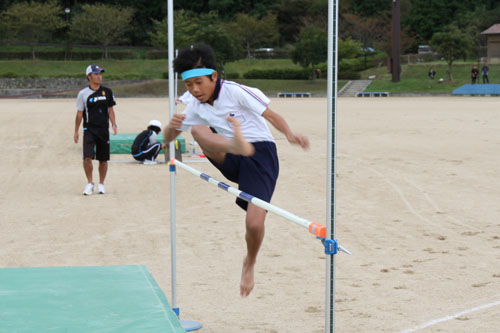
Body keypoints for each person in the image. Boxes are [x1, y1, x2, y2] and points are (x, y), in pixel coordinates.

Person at [164, 43, 309, 298]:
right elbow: (167, 139)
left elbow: (271, 115)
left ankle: (249, 263)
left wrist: (289, 134)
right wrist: (171, 126)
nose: (195, 90)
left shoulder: (237, 92)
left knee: (253, 224)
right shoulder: (193, 104)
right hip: (229, 152)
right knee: (197, 129)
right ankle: (235, 144)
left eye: (199, 83)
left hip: (259, 155)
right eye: (189, 85)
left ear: (214, 76)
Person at [74, 64, 117, 195]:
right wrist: (76, 131)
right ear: (89, 76)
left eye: (100, 74)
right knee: (87, 157)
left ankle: (102, 184)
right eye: (96, 74)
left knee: (103, 159)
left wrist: (114, 124)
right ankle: (90, 183)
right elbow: (79, 113)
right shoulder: (83, 94)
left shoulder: (108, 92)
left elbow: (110, 109)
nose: (99, 76)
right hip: (89, 129)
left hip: (103, 130)